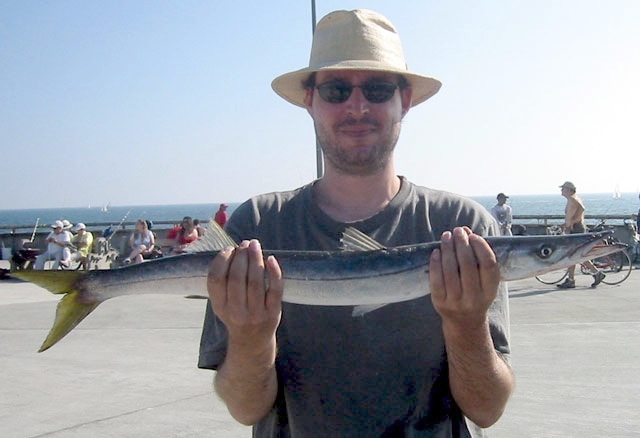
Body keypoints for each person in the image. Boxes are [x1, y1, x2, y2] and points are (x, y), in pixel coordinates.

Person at [199, 9, 513, 437]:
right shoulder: (257, 225)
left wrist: (466, 324)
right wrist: (250, 336)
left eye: (379, 89)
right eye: (336, 89)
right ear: (310, 101)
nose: (357, 106)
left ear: (406, 99)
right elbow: (244, 407)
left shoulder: (465, 228)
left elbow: (487, 409)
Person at [556, 181, 605, 289]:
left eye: (563, 188)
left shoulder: (573, 199)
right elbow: (578, 211)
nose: (561, 190)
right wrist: (567, 224)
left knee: (573, 255)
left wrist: (573, 222)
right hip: (574, 228)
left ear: (568, 190)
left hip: (576, 229)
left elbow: (582, 209)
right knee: (573, 255)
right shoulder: (573, 199)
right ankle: (572, 279)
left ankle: (593, 274)